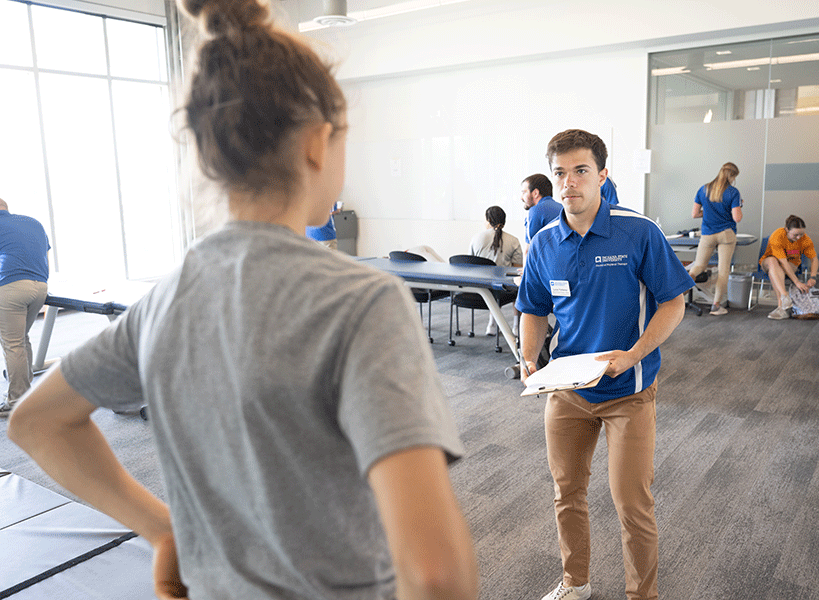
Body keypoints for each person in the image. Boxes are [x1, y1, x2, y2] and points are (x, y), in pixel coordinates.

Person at [8, 1, 479, 599]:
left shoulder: (165, 302)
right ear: (316, 143)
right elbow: (435, 574)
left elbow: (36, 422)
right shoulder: (361, 301)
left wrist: (162, 530)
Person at [516, 129, 693, 600]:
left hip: (629, 392)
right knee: (566, 493)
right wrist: (529, 356)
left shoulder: (637, 232)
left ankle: (642, 596)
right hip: (568, 392)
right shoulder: (545, 243)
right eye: (560, 173)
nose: (569, 182)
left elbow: (673, 302)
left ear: (602, 175)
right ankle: (575, 582)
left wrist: (635, 354)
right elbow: (532, 310)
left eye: (580, 171)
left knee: (632, 504)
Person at [0, 198, 50, 417]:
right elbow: (44, 254)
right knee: (21, 338)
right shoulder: (32, 222)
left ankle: (17, 401)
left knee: (12, 343)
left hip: (11, 287)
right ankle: (25, 393)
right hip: (41, 286)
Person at [688, 162, 743, 315]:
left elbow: (695, 214)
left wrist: (710, 213)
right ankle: (716, 306)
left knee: (698, 266)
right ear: (732, 176)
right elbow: (736, 218)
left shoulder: (703, 189)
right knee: (723, 271)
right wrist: (739, 206)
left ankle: (682, 290)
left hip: (707, 234)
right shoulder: (733, 192)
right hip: (726, 234)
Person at [469, 205, 523, 335]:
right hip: (502, 289)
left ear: (488, 220)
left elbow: (469, 265)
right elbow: (516, 270)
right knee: (517, 286)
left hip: (479, 288)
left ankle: (491, 325)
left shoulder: (476, 238)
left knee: (494, 288)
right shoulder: (513, 240)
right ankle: (516, 326)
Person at [760, 215, 819, 320]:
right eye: (795, 234)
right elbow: (783, 262)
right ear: (787, 229)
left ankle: (781, 306)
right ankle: (784, 296)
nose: (799, 237)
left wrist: (813, 276)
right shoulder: (777, 236)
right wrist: (797, 282)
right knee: (773, 261)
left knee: (776, 272)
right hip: (769, 263)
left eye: (801, 234)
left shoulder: (805, 239)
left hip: (790, 265)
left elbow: (814, 259)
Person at [522, 173, 563, 248]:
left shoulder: (534, 211)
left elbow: (529, 249)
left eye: (524, 192)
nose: (521, 197)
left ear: (535, 193)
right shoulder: (563, 209)